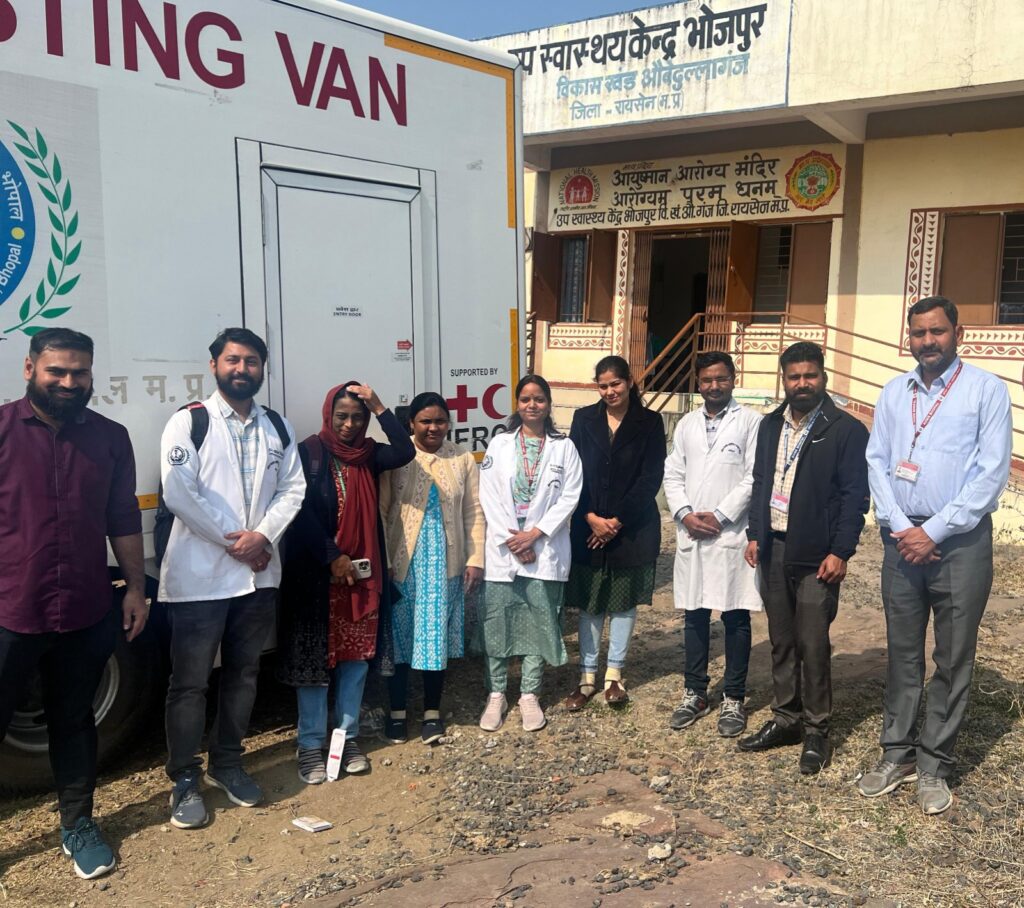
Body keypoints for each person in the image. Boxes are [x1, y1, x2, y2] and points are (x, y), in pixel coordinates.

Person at [0, 329, 145, 880]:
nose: (67, 381)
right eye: (55, 371)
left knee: (75, 721)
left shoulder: (110, 438)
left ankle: (78, 824)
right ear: (29, 369)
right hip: (10, 612)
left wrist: (136, 588)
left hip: (85, 609)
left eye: (78, 372)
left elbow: (122, 518)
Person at [860, 296, 1011, 815]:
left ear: (957, 334)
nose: (928, 341)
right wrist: (903, 527)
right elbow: (877, 462)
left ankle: (934, 764)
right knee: (902, 652)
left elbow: (991, 473)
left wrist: (935, 531)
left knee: (951, 657)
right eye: (919, 333)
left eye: (937, 331)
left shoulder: (985, 390)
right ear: (910, 337)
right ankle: (897, 753)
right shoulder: (893, 392)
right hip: (901, 541)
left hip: (960, 544)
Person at [160, 328, 304, 827]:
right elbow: (179, 494)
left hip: (257, 579)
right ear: (214, 365)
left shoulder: (277, 427)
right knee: (190, 683)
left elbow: (293, 489)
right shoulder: (190, 422)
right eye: (232, 360)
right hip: (201, 578)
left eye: (251, 361)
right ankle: (184, 779)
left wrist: (262, 536)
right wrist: (236, 542)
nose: (242, 369)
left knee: (243, 674)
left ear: (263, 368)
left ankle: (227, 763)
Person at [740, 342, 869, 774]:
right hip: (773, 548)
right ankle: (786, 718)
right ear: (784, 380)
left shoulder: (846, 430)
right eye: (794, 376)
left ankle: (816, 730)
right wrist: (755, 534)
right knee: (782, 640)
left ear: (823, 377)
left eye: (810, 375)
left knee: (813, 643)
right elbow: (761, 482)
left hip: (817, 557)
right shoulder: (769, 425)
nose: (802, 383)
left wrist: (841, 551)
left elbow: (855, 497)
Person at [277, 381, 414, 783]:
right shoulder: (309, 452)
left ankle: (346, 738)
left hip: (360, 579)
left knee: (355, 662)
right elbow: (298, 511)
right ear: (328, 414)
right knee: (315, 666)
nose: (349, 424)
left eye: (357, 417)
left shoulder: (370, 455)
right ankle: (309, 745)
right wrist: (332, 556)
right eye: (342, 416)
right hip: (317, 579)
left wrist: (380, 405)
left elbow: (405, 451)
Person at [663, 351, 762, 737]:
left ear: (733, 379)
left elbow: (754, 477)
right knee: (695, 614)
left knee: (736, 615)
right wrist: (685, 514)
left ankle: (734, 696)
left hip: (730, 534)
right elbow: (673, 473)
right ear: (698, 383)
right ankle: (695, 692)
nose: (714, 386)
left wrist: (720, 516)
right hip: (692, 533)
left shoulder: (751, 422)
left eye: (721, 379)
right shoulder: (687, 423)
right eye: (706, 380)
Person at [476, 374, 582, 732]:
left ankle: (529, 694)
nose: (532, 405)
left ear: (548, 404)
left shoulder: (564, 447)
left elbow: (570, 496)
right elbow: (489, 495)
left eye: (539, 399)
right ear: (517, 404)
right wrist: (514, 540)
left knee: (539, 622)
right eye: (525, 399)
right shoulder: (500, 444)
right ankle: (496, 693)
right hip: (505, 549)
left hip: (544, 549)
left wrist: (535, 535)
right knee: (498, 622)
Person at [380, 393, 484, 744]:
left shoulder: (462, 458)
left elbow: (473, 512)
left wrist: (475, 559)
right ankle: (397, 712)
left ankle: (431, 713)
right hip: (401, 566)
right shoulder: (398, 456)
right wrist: (384, 560)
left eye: (440, 421)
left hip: (444, 566)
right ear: (411, 423)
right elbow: (382, 509)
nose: (433, 428)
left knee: (433, 639)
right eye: (425, 421)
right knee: (400, 639)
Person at [563, 356, 665, 710]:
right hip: (587, 526)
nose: (609, 391)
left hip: (632, 527)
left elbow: (650, 478)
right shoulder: (583, 419)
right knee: (590, 602)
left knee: (623, 603)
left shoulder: (650, 422)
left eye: (615, 384)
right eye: (603, 385)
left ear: (629, 382)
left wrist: (616, 521)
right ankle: (587, 677)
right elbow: (572, 471)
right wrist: (590, 516)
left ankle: (614, 676)